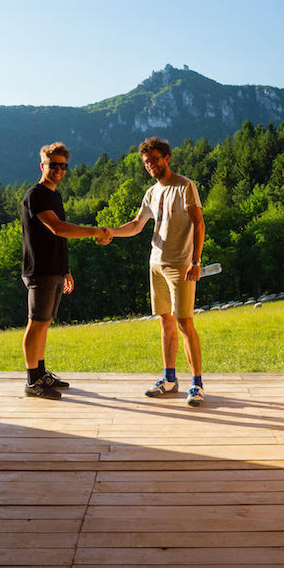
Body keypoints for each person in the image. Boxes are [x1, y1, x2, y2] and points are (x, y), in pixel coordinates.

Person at [106, 137, 207, 407]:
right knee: (165, 321)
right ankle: (169, 379)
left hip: (181, 264)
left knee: (185, 323)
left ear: (166, 159)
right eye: (146, 162)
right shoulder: (151, 192)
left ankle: (197, 384)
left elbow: (199, 224)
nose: (150, 165)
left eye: (154, 160)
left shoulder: (185, 186)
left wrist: (195, 261)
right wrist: (111, 233)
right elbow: (137, 224)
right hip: (156, 263)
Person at [21, 142, 112, 399]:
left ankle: (41, 374)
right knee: (36, 323)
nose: (59, 170)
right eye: (54, 165)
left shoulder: (55, 196)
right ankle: (32, 381)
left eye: (63, 166)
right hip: (40, 270)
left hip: (54, 269)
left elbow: (57, 238)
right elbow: (58, 228)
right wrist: (95, 232)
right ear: (42, 166)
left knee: (45, 322)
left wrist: (65, 269)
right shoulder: (36, 195)